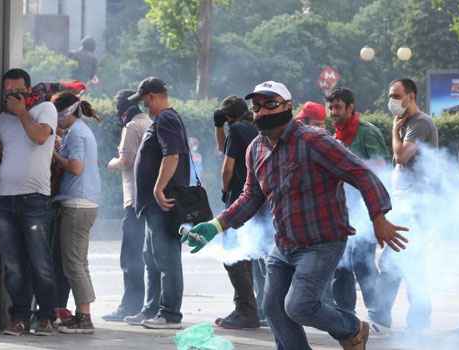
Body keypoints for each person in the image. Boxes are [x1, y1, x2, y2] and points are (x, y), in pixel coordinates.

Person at [182, 80, 409, 350]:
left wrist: (379, 217)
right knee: (274, 308)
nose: (263, 111)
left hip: (322, 241)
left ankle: (352, 329)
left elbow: (360, 173)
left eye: (270, 104)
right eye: (257, 106)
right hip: (284, 244)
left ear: (288, 106)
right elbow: (250, 197)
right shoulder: (255, 149)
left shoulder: (314, 140)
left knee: (299, 305)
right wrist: (215, 225)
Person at [0, 68, 57, 336]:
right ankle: (18, 317)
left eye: (16, 91)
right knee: (13, 265)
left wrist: (21, 112)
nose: (11, 95)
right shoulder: (3, 121)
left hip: (35, 200)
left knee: (40, 262)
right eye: (7, 91)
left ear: (28, 90)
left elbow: (40, 137)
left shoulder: (44, 110)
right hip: (4, 200)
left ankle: (46, 317)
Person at [370, 79, 437, 334]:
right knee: (400, 262)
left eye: (397, 95)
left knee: (398, 262)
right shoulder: (408, 123)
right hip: (406, 203)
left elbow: (401, 156)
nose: (393, 101)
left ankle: (391, 320)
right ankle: (396, 319)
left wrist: (394, 131)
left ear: (411, 95)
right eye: (390, 95)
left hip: (417, 207)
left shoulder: (419, 123)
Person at [129, 77, 190, 329]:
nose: (143, 105)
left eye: (144, 100)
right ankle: (151, 309)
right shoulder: (163, 120)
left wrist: (158, 186)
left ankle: (170, 314)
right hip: (152, 206)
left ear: (152, 96)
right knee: (152, 257)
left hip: (162, 203)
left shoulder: (165, 119)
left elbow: (172, 154)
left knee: (166, 258)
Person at [325, 88, 388, 319]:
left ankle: (379, 313)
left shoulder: (366, 133)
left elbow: (380, 167)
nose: (333, 112)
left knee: (362, 263)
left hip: (364, 209)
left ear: (351, 107)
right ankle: (345, 315)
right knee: (340, 265)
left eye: (338, 107)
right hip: (342, 211)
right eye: (331, 108)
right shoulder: (335, 137)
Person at [212, 96, 268, 329]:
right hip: (260, 199)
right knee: (255, 255)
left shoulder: (235, 129)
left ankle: (245, 310)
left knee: (233, 254)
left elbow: (227, 166)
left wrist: (225, 189)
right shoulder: (254, 127)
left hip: (240, 199)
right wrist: (219, 127)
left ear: (228, 116)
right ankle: (261, 308)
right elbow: (222, 147)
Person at [51, 92, 102, 334]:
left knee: (73, 264)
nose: (55, 121)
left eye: (56, 115)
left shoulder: (78, 133)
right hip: (85, 203)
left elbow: (76, 167)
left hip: (77, 204)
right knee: (79, 263)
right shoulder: (80, 131)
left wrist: (53, 153)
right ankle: (84, 314)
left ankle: (84, 319)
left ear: (67, 113)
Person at [103, 90, 152, 322]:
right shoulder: (149, 122)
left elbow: (125, 161)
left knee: (130, 255)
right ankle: (148, 305)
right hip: (149, 200)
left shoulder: (132, 127)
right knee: (147, 254)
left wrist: (109, 163)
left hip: (134, 199)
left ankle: (130, 305)